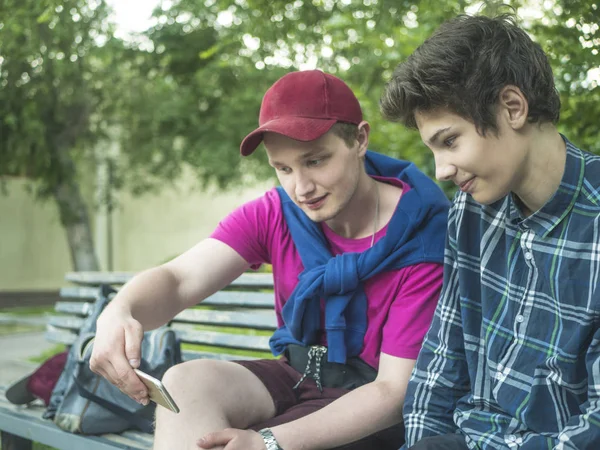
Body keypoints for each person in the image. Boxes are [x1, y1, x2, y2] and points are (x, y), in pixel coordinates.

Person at [90, 69, 450, 450]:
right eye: (283, 168)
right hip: (298, 374)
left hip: (371, 405)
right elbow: (179, 280)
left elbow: (393, 394)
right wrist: (120, 310)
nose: (302, 188)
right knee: (185, 385)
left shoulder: (422, 235)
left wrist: (267, 442)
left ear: (359, 139)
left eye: (315, 161)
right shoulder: (277, 213)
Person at [380, 13, 600, 450]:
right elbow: (444, 356)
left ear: (512, 107)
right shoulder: (472, 209)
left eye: (450, 141)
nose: (441, 170)